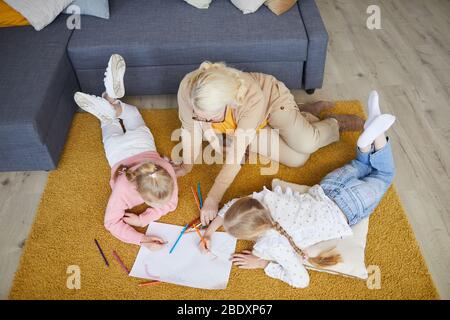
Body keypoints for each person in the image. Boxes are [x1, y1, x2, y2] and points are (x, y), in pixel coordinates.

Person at [200, 91, 395, 288]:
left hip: (350, 207)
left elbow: (301, 281)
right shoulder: (263, 199)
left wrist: (264, 264)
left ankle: (377, 135)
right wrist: (211, 230)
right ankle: (366, 142)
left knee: (384, 175)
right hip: (329, 187)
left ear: (252, 235)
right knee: (361, 166)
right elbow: (235, 205)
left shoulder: (270, 246)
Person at [176, 61, 364, 226]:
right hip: (245, 127)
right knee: (297, 159)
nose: (205, 123)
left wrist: (212, 199)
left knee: (307, 144)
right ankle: (302, 116)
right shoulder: (189, 89)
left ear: (229, 103)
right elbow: (190, 129)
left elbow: (235, 157)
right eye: (198, 116)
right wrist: (186, 165)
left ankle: (334, 124)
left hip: (272, 104)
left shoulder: (251, 98)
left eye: (211, 117)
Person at [73, 54, 178, 250]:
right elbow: (111, 223)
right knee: (108, 122)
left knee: (133, 116)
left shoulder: (166, 171)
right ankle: (108, 106)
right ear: (140, 194)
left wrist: (144, 221)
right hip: (117, 151)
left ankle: (113, 101)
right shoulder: (122, 191)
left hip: (141, 142)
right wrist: (142, 231)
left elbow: (169, 203)